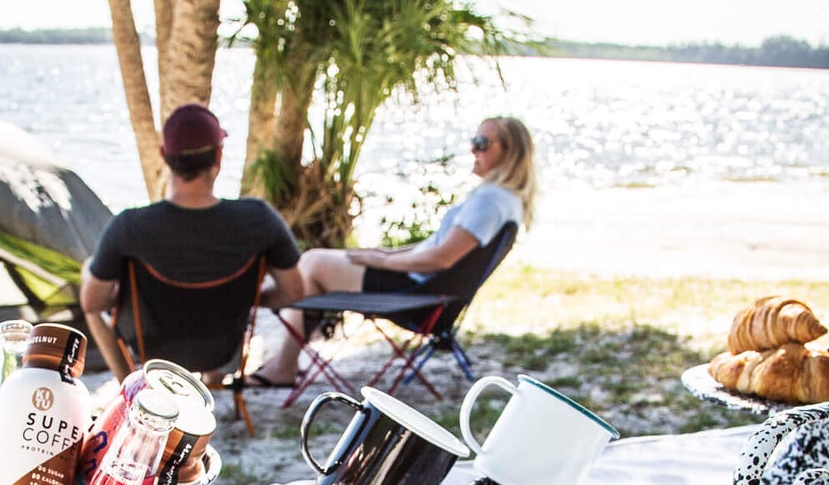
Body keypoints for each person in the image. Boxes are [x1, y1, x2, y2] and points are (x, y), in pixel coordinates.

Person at [251, 115, 536, 386]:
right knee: (314, 267)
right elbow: (437, 246)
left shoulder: (490, 201)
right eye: (474, 140)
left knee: (312, 263)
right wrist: (384, 253)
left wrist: (382, 260)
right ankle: (281, 356)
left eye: (483, 143)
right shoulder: (507, 201)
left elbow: (441, 258)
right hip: (430, 292)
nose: (473, 148)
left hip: (416, 297)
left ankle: (265, 324)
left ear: (510, 153)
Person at [80, 103, 308, 379]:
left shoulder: (130, 226)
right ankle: (213, 380)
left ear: (165, 156)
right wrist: (246, 296)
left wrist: (129, 296)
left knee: (90, 271)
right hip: (223, 351)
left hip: (152, 351)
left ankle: (128, 385)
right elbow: (295, 292)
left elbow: (92, 303)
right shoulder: (259, 219)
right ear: (219, 157)